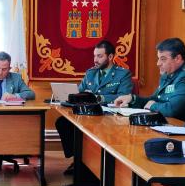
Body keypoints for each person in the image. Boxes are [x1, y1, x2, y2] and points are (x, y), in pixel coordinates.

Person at [56, 40, 133, 171]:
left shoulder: (123, 74)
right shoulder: (91, 73)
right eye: (94, 56)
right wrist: (71, 96)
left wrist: (100, 97)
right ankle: (78, 158)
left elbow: (124, 96)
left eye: (99, 56)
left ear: (110, 57)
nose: (95, 60)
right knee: (62, 122)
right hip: (87, 113)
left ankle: (89, 163)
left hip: (108, 115)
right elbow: (79, 92)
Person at [113, 37, 185, 121]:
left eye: (163, 59)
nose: (158, 63)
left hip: (184, 129)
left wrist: (152, 105)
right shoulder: (169, 74)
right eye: (158, 59)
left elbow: (171, 110)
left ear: (178, 58)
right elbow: (155, 99)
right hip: (167, 125)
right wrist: (133, 99)